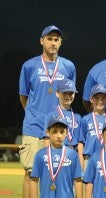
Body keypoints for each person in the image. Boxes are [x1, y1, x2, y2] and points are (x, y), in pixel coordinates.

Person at [18, 25, 76, 198]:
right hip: (34, 128)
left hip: (59, 128)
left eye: (56, 39)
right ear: (42, 41)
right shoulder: (29, 66)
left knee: (60, 173)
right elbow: (23, 97)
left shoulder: (68, 66)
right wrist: (35, 115)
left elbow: (69, 95)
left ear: (60, 43)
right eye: (49, 39)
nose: (53, 42)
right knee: (31, 173)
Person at [30, 116, 83, 198]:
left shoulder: (72, 155)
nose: (59, 135)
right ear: (48, 132)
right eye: (55, 131)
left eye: (62, 132)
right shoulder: (40, 155)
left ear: (67, 133)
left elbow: (78, 180)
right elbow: (34, 180)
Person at [78, 84, 106, 170]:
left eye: (103, 98)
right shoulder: (85, 119)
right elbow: (81, 143)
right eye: (97, 98)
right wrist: (81, 162)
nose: (100, 101)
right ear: (91, 99)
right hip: (89, 158)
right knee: (88, 183)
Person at [44, 79, 81, 149]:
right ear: (57, 93)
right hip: (57, 150)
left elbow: (80, 141)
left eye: (71, 93)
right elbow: (47, 138)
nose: (68, 96)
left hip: (73, 153)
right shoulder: (51, 115)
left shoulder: (78, 117)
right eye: (65, 93)